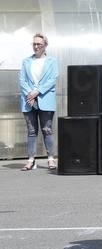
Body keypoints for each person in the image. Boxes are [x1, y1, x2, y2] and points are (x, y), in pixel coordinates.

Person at [20, 32, 57, 171]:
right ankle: (31, 159)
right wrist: (29, 94)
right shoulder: (26, 61)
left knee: (47, 129)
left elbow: (52, 80)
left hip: (45, 99)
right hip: (28, 100)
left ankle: (50, 158)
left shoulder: (52, 61)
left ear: (45, 45)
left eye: (39, 44)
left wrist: (37, 91)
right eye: (34, 44)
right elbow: (22, 80)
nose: (36, 47)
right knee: (31, 131)